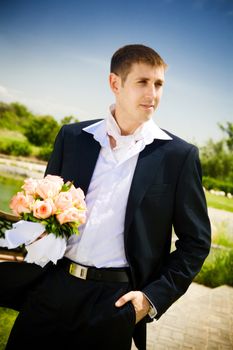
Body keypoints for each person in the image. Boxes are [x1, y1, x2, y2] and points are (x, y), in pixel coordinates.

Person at [1, 44, 211, 350]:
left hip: (114, 305)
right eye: (142, 82)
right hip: (52, 288)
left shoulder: (179, 156)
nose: (152, 94)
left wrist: (150, 299)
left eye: (159, 84)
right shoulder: (72, 137)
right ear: (115, 83)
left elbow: (196, 243)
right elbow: (41, 210)